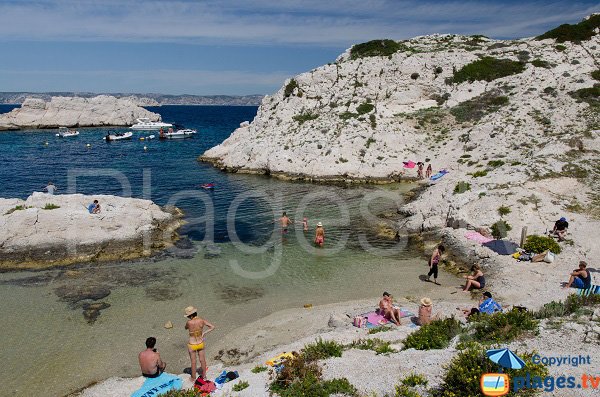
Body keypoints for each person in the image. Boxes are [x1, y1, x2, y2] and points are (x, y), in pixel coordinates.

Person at [184, 306, 215, 381]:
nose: (188, 317)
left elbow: (186, 328)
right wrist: (204, 333)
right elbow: (212, 327)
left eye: (188, 316)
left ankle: (193, 377)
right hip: (200, 342)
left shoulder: (189, 322)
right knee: (202, 360)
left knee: (193, 361)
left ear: (191, 315)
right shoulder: (201, 320)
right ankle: (204, 376)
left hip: (192, 344)